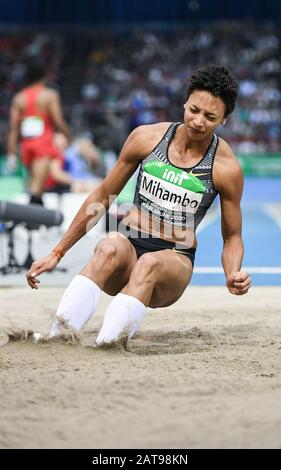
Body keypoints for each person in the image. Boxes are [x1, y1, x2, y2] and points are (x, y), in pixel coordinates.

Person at [26, 65, 251, 346]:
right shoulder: (147, 138)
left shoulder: (225, 168)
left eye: (210, 117)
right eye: (194, 110)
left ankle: (108, 345)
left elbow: (232, 237)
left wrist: (233, 273)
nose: (197, 121)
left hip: (173, 260)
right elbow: (103, 195)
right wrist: (57, 252)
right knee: (109, 246)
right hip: (130, 245)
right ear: (185, 102)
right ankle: (57, 338)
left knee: (149, 263)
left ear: (225, 120)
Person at [7, 57, 70, 205]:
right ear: (45, 75)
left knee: (36, 184)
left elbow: (13, 129)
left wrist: (11, 153)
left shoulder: (19, 98)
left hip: (27, 146)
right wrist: (68, 135)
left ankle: (36, 220)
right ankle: (30, 220)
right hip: (44, 144)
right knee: (36, 186)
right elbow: (58, 121)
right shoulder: (49, 95)